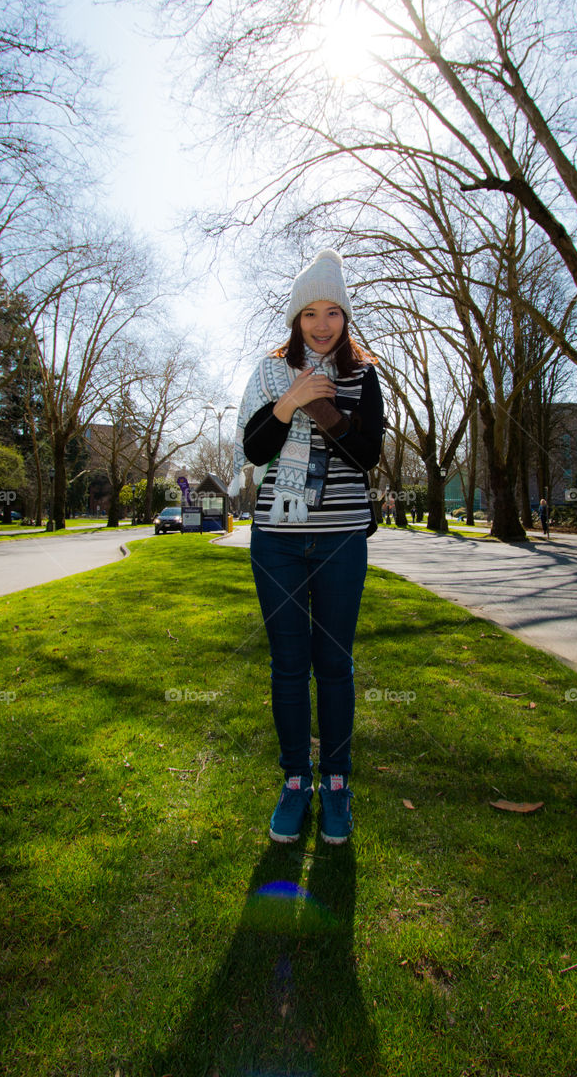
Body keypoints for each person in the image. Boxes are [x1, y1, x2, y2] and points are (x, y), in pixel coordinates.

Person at [230, 251, 384, 845]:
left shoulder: (365, 373)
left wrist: (322, 408)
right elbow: (254, 449)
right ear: (295, 319)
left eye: (333, 312)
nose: (322, 325)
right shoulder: (269, 373)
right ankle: (296, 781)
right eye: (310, 314)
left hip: (342, 539)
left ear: (346, 317)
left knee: (334, 666)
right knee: (289, 668)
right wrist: (289, 402)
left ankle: (337, 784)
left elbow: (367, 454)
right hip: (277, 543)